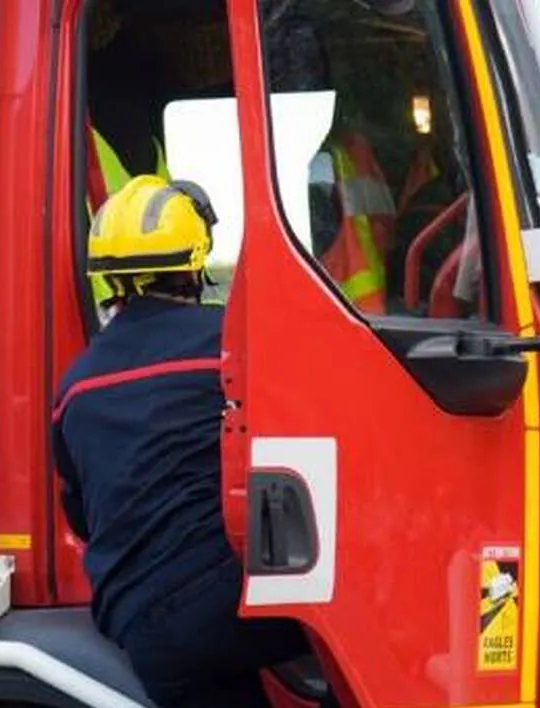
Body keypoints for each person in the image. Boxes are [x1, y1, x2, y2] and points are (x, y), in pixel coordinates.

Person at [50, 175, 336, 708]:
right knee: (368, 611)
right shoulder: (229, 344)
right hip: (220, 603)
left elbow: (81, 513)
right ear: (194, 264)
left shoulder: (76, 385)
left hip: (141, 629)